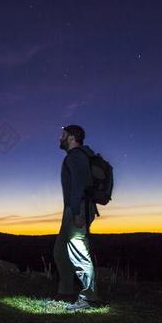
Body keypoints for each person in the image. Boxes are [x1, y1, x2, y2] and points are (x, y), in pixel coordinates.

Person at [53, 124, 103, 311]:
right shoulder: (78, 157)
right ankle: (65, 292)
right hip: (74, 209)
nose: (60, 138)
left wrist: (76, 213)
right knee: (60, 251)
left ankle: (90, 298)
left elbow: (79, 186)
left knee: (80, 253)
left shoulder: (76, 157)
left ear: (72, 138)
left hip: (78, 209)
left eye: (63, 135)